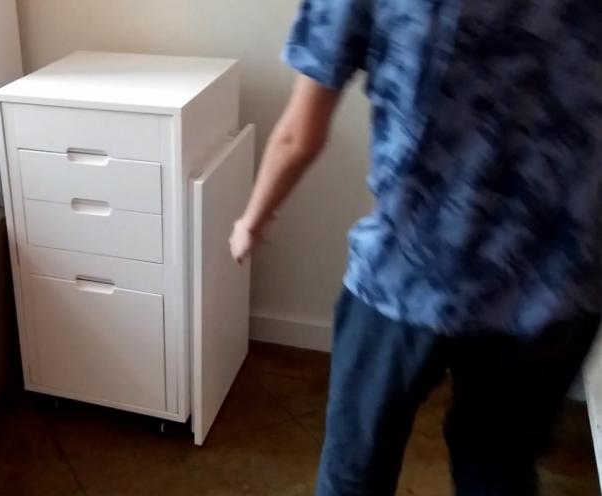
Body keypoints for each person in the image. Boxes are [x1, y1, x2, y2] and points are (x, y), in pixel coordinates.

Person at [229, 1, 602, 495]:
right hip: (553, 283)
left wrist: (253, 219)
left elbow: (299, 133)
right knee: (498, 471)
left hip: (409, 272)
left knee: (354, 471)